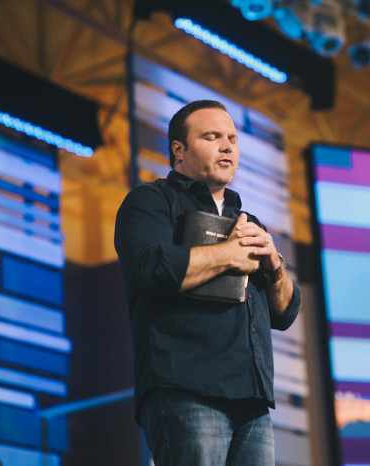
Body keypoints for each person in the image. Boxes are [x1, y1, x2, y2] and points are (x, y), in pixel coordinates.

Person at [114, 99, 300, 465]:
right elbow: (149, 267)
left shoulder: (248, 220)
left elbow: (285, 313)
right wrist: (229, 255)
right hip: (186, 390)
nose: (227, 145)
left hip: (253, 400)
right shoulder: (150, 201)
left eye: (231, 137)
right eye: (212, 136)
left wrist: (274, 263)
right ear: (178, 150)